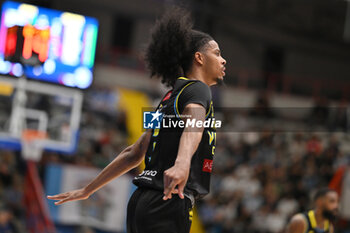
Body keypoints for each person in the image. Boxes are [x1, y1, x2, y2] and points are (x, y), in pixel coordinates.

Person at [47, 6, 226, 233]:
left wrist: (89, 189)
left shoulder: (168, 98)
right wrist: (182, 164)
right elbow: (195, 121)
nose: (223, 60)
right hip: (169, 199)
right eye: (217, 53)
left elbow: (134, 152)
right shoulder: (198, 90)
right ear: (199, 58)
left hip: (142, 200)